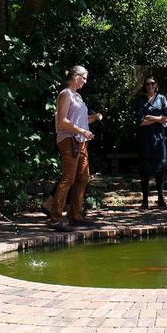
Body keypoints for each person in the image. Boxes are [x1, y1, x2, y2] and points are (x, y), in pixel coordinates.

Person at [47, 65, 103, 231]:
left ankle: (75, 216)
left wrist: (94, 117)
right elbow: (62, 121)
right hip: (69, 140)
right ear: (75, 76)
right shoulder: (65, 94)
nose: (85, 81)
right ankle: (55, 218)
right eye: (84, 78)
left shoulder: (77, 96)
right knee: (68, 179)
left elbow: (80, 119)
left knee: (83, 177)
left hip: (81, 141)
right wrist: (83, 131)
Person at [134, 76, 167, 209]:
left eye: (152, 84)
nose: (150, 86)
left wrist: (151, 117)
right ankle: (145, 200)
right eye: (147, 84)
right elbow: (140, 121)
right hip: (144, 139)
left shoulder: (162, 99)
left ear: (156, 85)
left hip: (159, 138)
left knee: (160, 168)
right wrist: (158, 119)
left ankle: (161, 198)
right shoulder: (140, 100)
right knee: (144, 170)